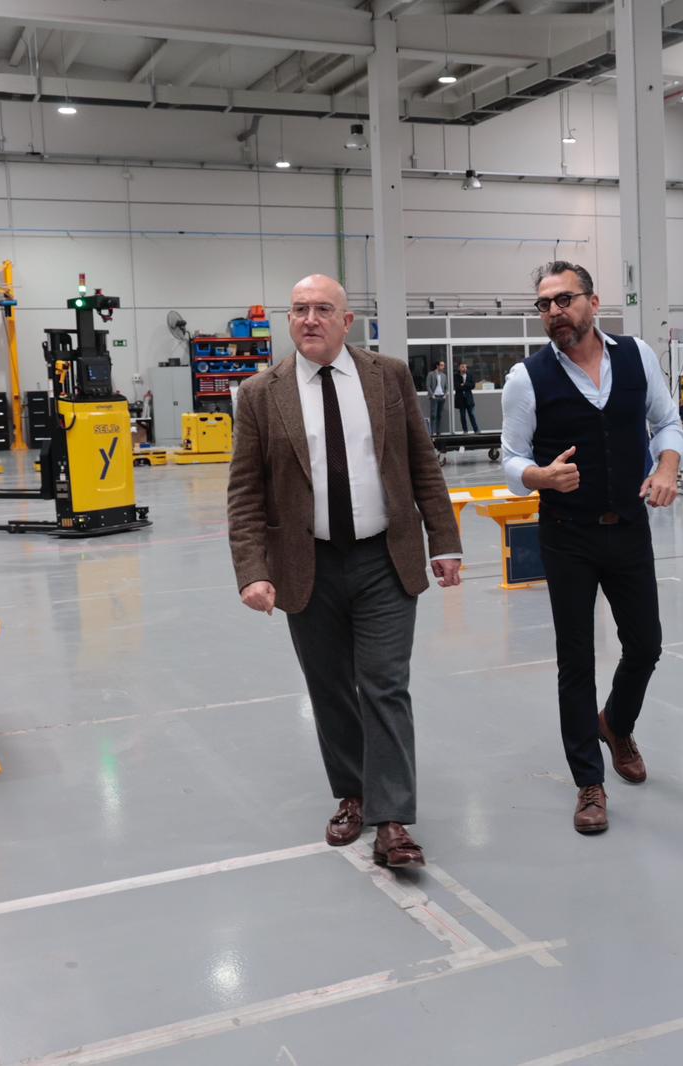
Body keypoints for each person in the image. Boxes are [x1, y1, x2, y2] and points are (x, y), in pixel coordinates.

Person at [228, 274, 463, 868]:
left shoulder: (388, 377)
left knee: (385, 684)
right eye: (299, 309)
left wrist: (445, 541)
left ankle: (393, 820)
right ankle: (353, 793)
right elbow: (245, 491)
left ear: (346, 320)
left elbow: (422, 462)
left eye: (322, 309)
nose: (309, 319)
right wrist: (252, 570)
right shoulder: (260, 394)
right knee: (329, 687)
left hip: (385, 556)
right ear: (289, 319)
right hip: (308, 563)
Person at [500, 261, 683, 835]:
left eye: (565, 299)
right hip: (568, 535)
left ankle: (616, 723)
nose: (554, 312)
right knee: (576, 660)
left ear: (593, 302)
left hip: (628, 526)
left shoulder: (637, 356)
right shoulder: (526, 378)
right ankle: (589, 782)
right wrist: (539, 477)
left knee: (646, 645)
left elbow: (667, 422)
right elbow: (511, 458)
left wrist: (668, 468)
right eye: (544, 305)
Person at [454, 362, 480, 433]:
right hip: (460, 399)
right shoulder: (456, 376)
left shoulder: (470, 375)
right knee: (462, 416)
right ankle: (465, 430)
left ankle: (476, 430)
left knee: (472, 414)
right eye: (462, 367)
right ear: (459, 368)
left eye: (465, 367)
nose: (464, 368)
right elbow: (457, 386)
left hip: (469, 398)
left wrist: (464, 385)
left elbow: (472, 385)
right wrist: (465, 386)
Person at [426, 361, 448, 437]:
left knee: (439, 415)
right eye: (441, 365)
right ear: (437, 366)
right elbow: (428, 385)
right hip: (434, 397)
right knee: (433, 415)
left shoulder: (444, 375)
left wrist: (445, 394)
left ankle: (438, 432)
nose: (443, 367)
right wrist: (432, 395)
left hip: (442, 396)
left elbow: (446, 386)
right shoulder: (431, 374)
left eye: (443, 365)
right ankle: (432, 432)